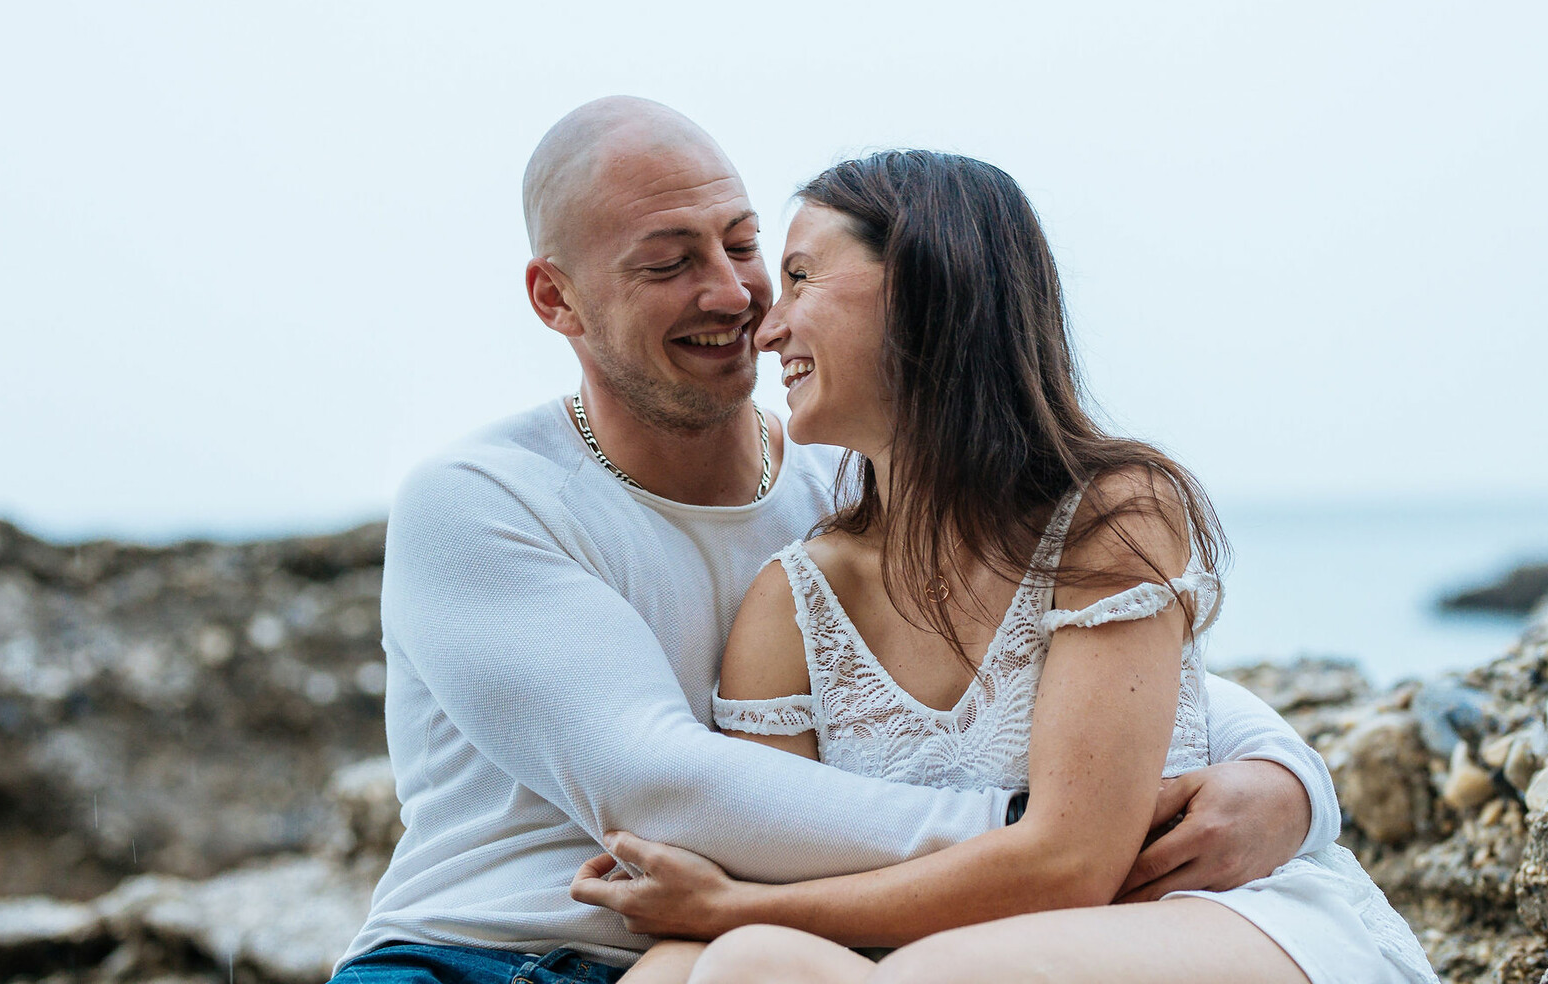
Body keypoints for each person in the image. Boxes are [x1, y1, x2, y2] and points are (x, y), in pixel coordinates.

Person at [330, 99, 1345, 984]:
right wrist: (1052, 833)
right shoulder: (481, 499)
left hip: (741, 942)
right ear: (557, 299)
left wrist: (1286, 777)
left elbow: (1077, 667)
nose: (735, 297)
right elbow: (656, 782)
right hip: (482, 950)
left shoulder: (850, 482)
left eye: (741, 246)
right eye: (669, 263)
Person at [569, 151, 1438, 984]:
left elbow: (1072, 865)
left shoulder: (1113, 514)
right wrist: (729, 915)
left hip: (1200, 920)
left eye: (801, 277)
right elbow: (762, 849)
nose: (768, 326)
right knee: (707, 971)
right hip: (937, 947)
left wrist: (729, 910)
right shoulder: (793, 600)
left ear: (924, 285)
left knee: (867, 967)